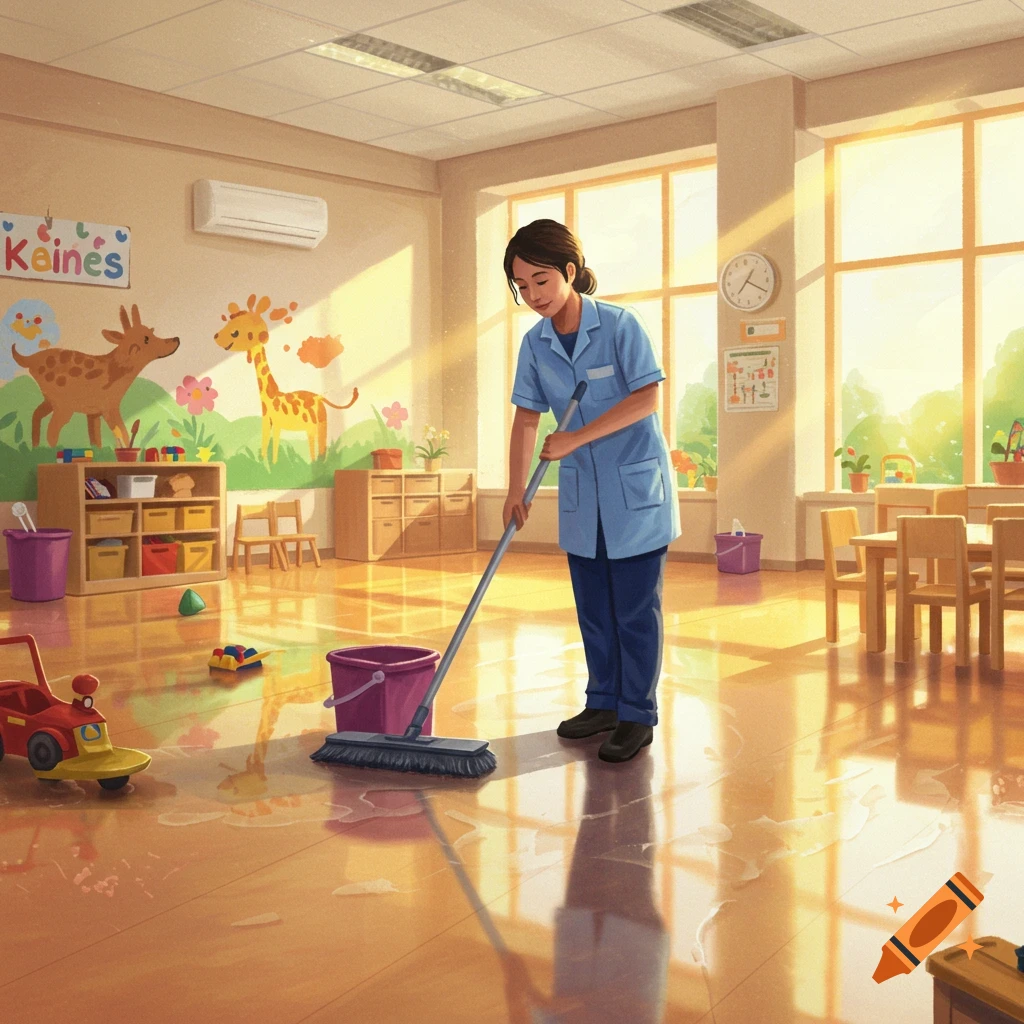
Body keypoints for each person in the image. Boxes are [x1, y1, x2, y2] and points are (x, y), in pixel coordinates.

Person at [503, 219, 679, 764]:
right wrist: (515, 489)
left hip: (634, 493)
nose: (533, 295)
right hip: (584, 498)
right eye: (522, 286)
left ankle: (636, 715)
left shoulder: (621, 325)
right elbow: (526, 418)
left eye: (541, 280)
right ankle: (603, 703)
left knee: (634, 611)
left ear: (570, 271)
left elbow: (646, 399)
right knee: (594, 610)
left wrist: (575, 438)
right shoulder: (535, 344)